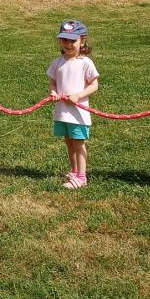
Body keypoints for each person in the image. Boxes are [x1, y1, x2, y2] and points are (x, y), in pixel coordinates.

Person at [47, 19, 100, 190]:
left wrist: (79, 95)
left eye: (72, 40)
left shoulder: (85, 62)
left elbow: (94, 85)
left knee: (78, 144)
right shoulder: (58, 62)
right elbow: (53, 82)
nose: (68, 44)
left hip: (78, 114)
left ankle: (82, 177)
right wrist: (53, 92)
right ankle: (75, 171)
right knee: (69, 143)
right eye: (64, 40)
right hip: (62, 112)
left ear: (82, 41)